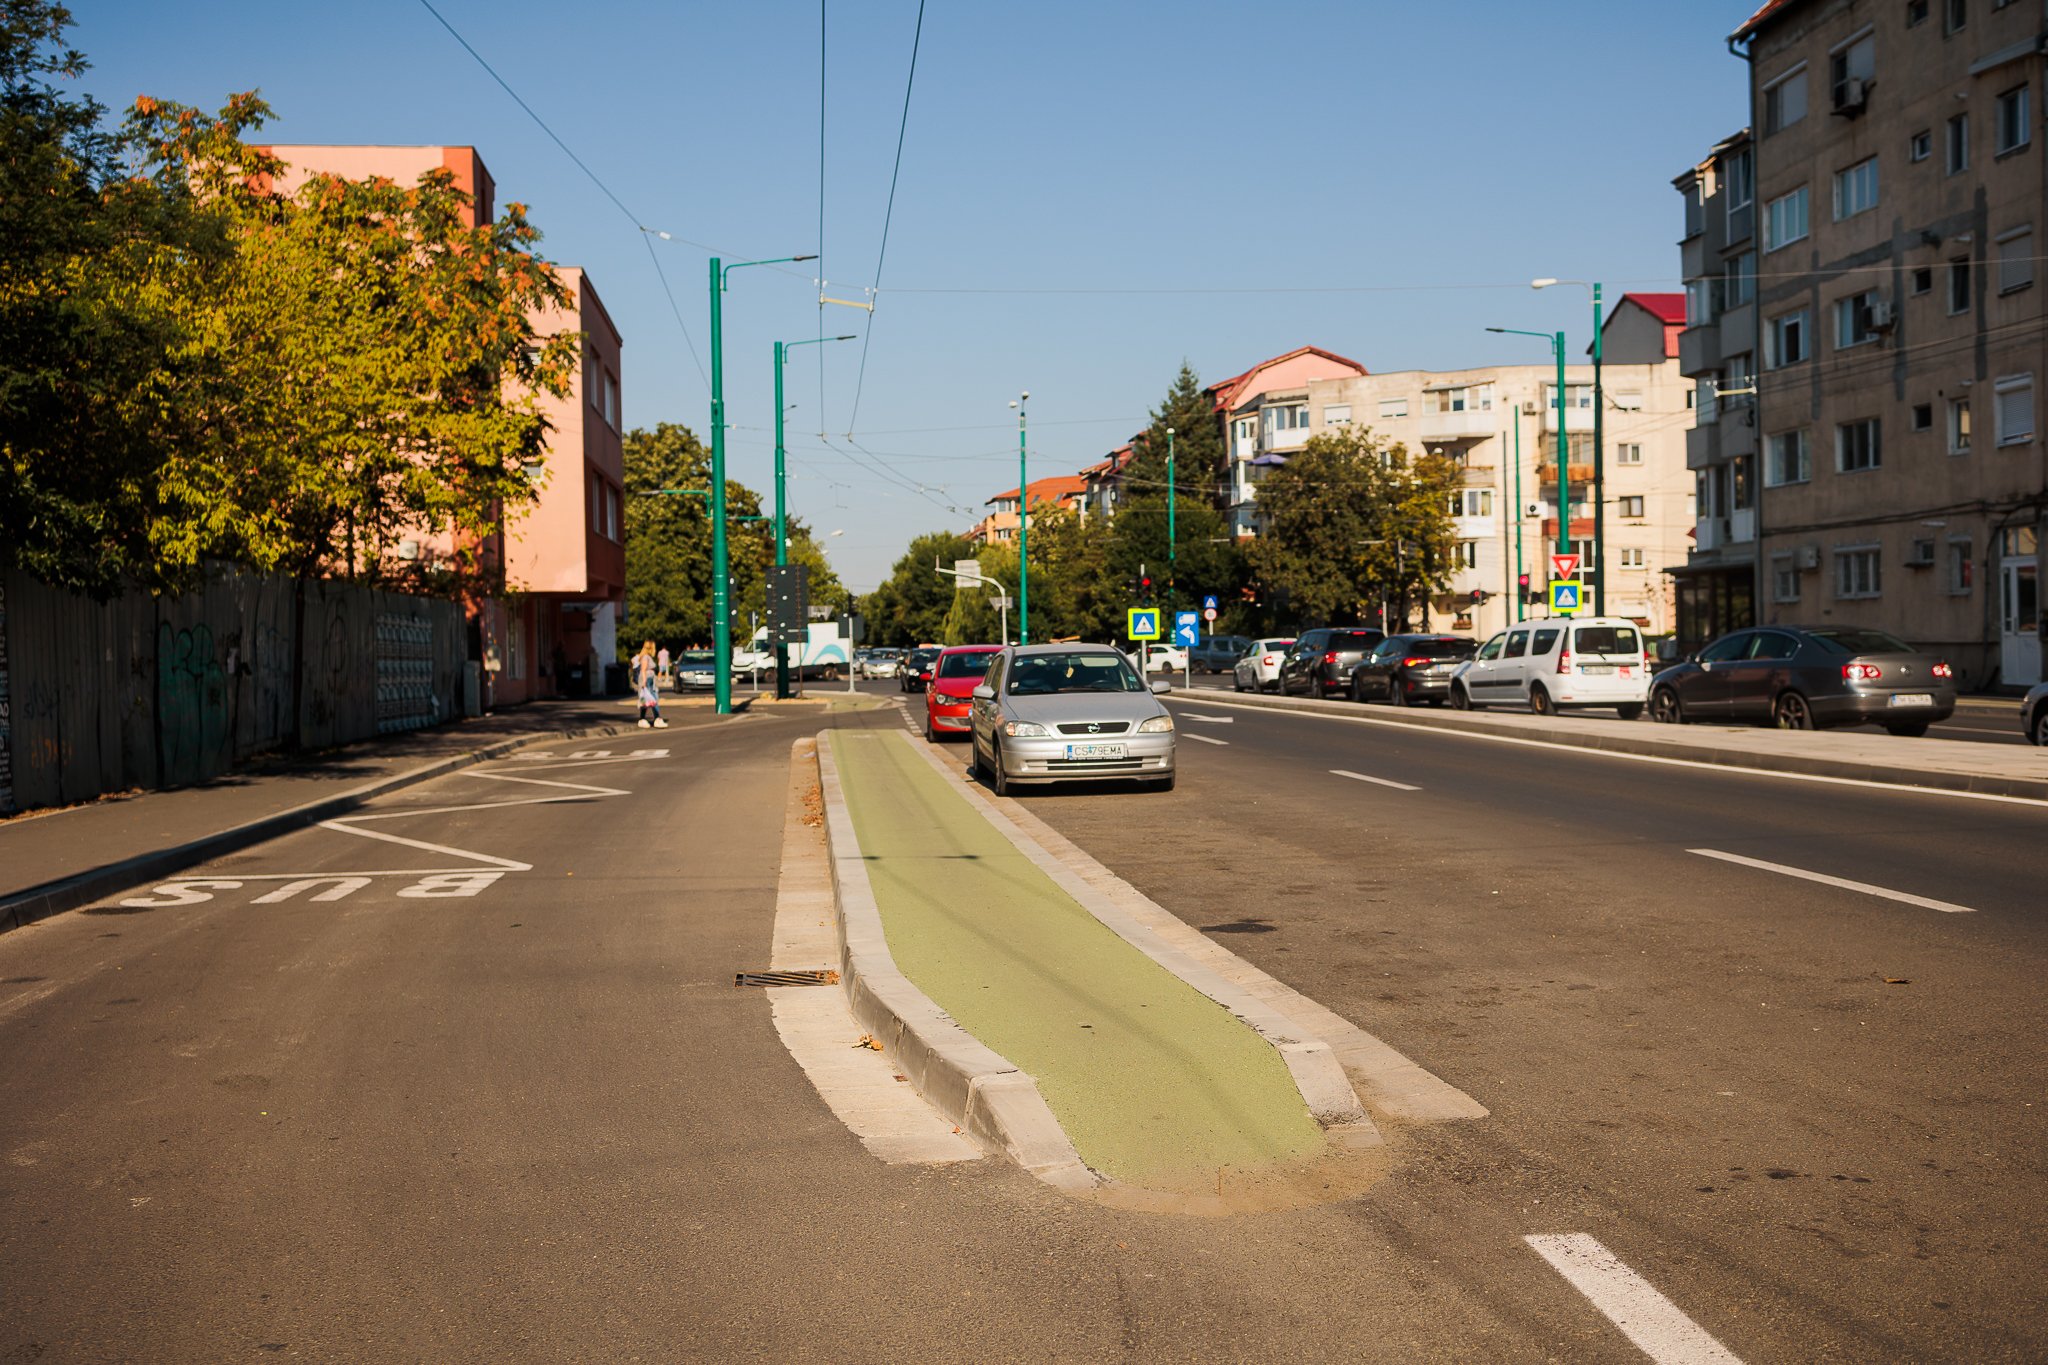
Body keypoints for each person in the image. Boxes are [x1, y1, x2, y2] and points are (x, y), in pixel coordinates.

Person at [632, 640, 667, 728]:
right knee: (652, 699)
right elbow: (643, 669)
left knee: (647, 700)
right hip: (646, 680)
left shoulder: (647, 657)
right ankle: (657, 718)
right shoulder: (645, 657)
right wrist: (644, 682)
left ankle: (643, 719)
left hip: (649, 680)